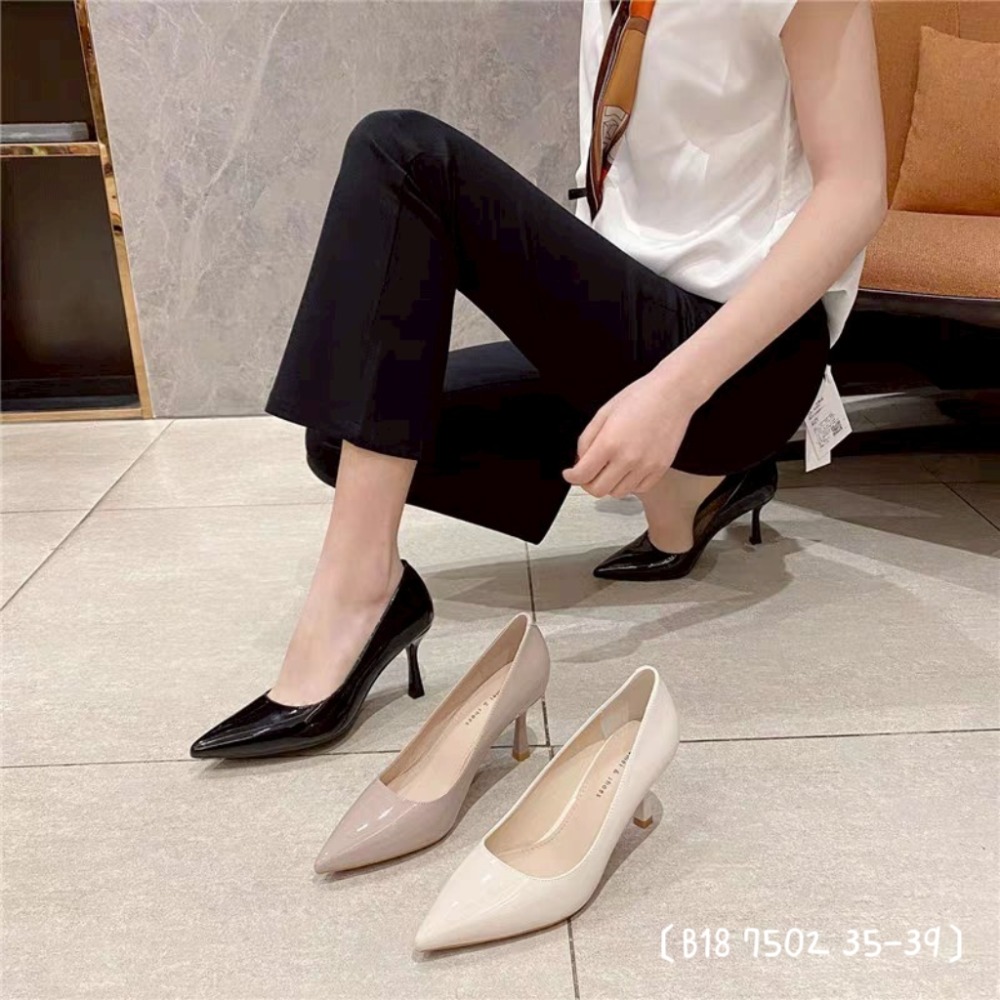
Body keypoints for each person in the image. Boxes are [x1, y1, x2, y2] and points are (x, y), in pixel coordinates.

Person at [190, 0, 886, 759]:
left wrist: (673, 393)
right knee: (350, 431)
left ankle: (359, 595)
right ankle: (696, 490)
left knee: (402, 154)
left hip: (748, 358)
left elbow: (856, 193)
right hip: (642, 324)